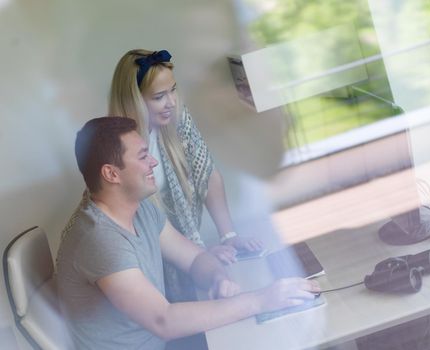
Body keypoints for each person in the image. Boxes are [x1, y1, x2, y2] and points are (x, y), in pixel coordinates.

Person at [56, 116, 320, 350]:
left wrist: (217, 278)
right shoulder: (99, 239)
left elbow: (194, 258)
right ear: (111, 174)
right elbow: (164, 321)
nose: (153, 162)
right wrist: (261, 300)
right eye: (142, 156)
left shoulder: (140, 209)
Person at [106, 48, 262, 301]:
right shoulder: (119, 149)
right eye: (159, 96)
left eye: (173, 90)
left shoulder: (176, 119)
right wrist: (199, 255)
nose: (172, 102)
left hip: (186, 254)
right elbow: (144, 228)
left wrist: (229, 236)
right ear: (134, 100)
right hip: (151, 269)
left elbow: (206, 172)